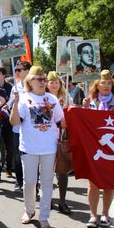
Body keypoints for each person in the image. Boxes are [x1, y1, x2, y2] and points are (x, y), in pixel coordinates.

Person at [10, 66, 65, 228]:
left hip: (49, 148)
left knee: (47, 183)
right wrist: (15, 103)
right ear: (30, 82)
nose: (42, 82)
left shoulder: (52, 99)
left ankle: (44, 217)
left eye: (44, 79)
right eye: (39, 79)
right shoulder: (24, 99)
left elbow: (61, 121)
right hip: (29, 148)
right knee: (30, 182)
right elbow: (14, 122)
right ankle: (29, 210)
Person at [83, 70, 114, 228]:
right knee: (93, 183)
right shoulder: (90, 102)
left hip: (113, 148)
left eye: (109, 83)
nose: (106, 85)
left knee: (109, 182)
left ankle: (106, 214)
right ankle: (93, 215)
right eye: (103, 82)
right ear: (97, 85)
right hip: (94, 148)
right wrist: (85, 108)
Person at [46, 71, 73, 214]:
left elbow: (71, 112)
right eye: (52, 82)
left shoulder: (65, 97)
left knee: (62, 171)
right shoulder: (42, 97)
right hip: (46, 137)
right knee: (47, 171)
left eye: (57, 82)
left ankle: (62, 201)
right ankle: (48, 199)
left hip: (61, 136)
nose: (54, 85)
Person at [8, 61, 31, 191]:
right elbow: (10, 105)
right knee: (17, 157)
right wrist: (15, 101)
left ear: (27, 71)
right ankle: (19, 181)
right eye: (16, 70)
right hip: (17, 128)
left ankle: (31, 182)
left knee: (30, 157)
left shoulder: (34, 88)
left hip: (31, 129)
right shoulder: (15, 87)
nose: (17, 72)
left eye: (19, 70)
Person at [0, 66, 12, 182]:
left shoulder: (10, 87)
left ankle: (9, 168)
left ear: (4, 75)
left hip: (7, 120)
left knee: (9, 146)